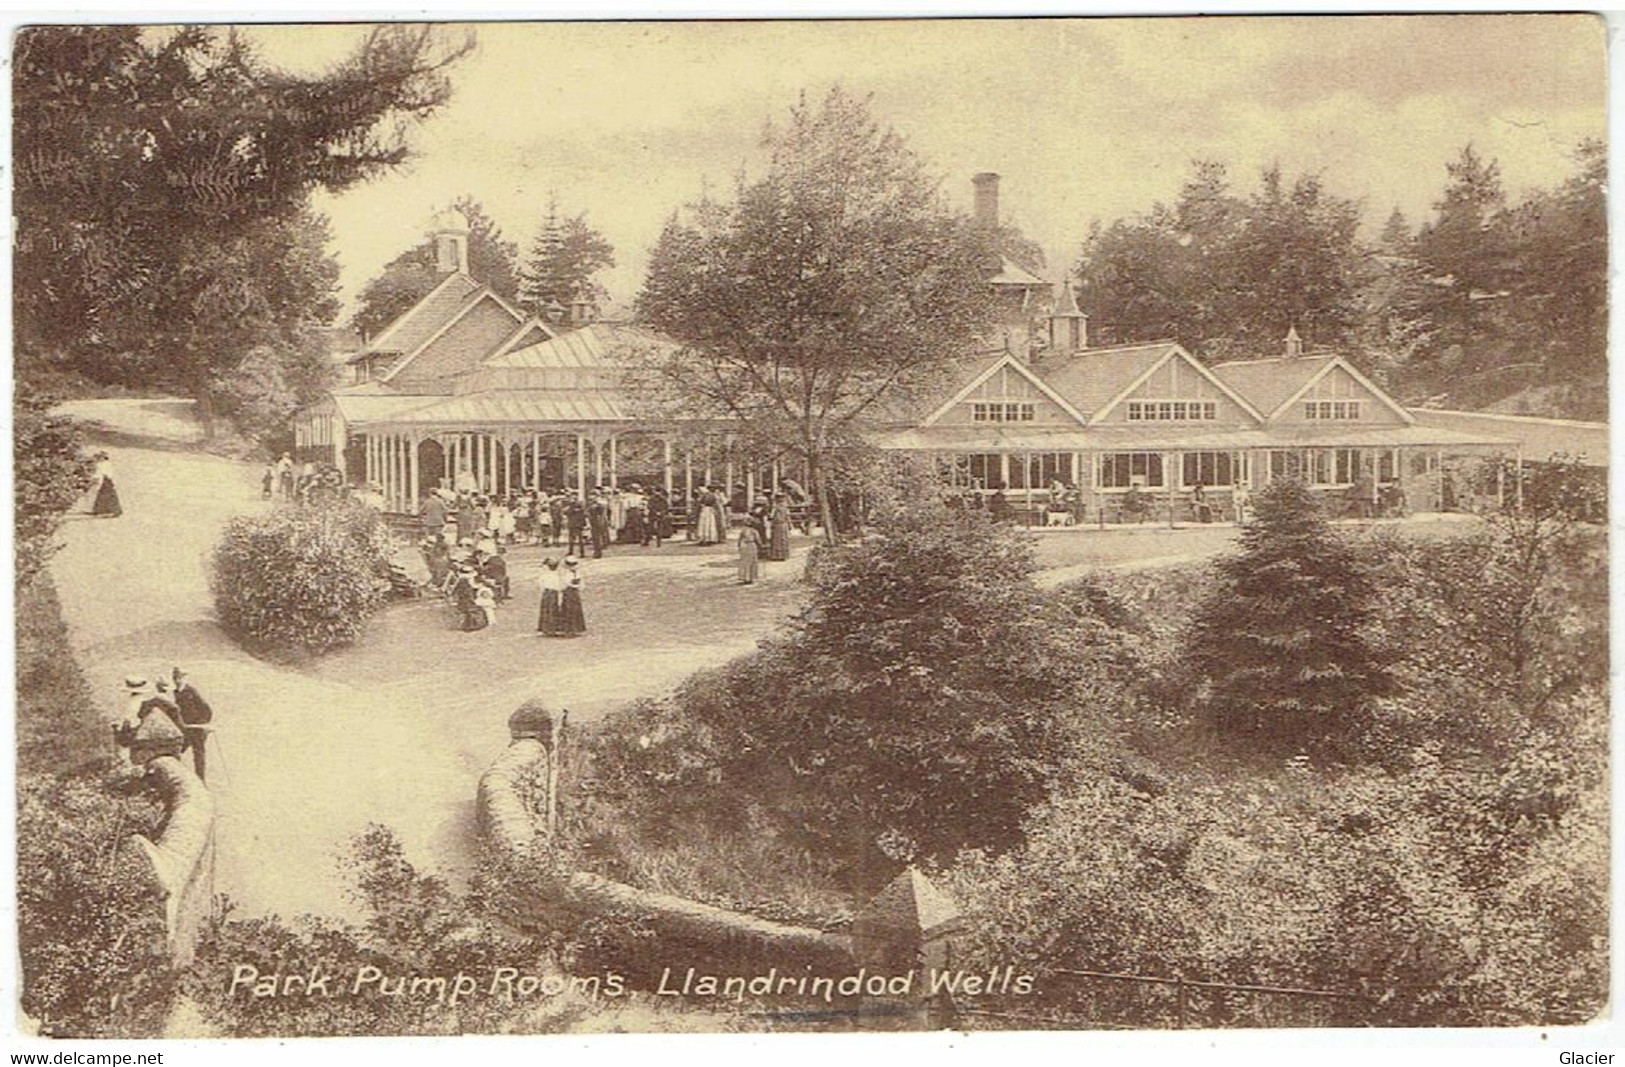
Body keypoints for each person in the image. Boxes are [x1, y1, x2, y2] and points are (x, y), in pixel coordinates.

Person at [171, 668, 214, 781]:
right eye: (176, 678)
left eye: (181, 678)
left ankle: (201, 780)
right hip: (185, 728)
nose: (178, 680)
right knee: (176, 750)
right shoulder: (176, 692)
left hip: (197, 728)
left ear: (185, 678)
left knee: (198, 754)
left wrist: (203, 725)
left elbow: (207, 709)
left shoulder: (191, 692)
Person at [559, 556, 587, 636]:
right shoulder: (565, 574)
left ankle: (576, 628)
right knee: (568, 609)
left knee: (576, 609)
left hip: (575, 593)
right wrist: (572, 585)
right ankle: (567, 629)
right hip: (568, 592)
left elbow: (582, 583)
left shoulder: (578, 573)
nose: (573, 567)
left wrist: (578, 586)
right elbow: (564, 584)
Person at [536, 557, 565, 635]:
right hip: (554, 593)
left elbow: (540, 584)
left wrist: (544, 591)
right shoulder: (557, 576)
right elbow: (560, 586)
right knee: (553, 609)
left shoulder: (544, 575)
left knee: (546, 610)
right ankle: (553, 628)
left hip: (546, 593)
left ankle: (545, 628)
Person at [90, 453, 122, 518]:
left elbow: (99, 473)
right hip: (107, 480)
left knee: (106, 495)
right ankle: (102, 510)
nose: (100, 459)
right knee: (105, 495)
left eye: (101, 457)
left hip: (106, 480)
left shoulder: (101, 464)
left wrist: (94, 478)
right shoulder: (106, 464)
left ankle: (110, 510)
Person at [766, 493, 792, 562]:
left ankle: (776, 556)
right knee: (782, 539)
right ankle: (783, 555)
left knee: (777, 540)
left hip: (777, 525)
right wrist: (790, 525)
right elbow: (788, 516)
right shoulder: (785, 507)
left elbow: (771, 516)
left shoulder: (775, 507)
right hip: (783, 524)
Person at [737, 517, 763, 585]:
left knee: (745, 561)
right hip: (751, 545)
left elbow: (739, 539)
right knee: (752, 561)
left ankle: (745, 577)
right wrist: (761, 545)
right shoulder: (754, 531)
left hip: (744, 545)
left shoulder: (743, 530)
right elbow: (758, 540)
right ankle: (751, 577)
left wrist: (739, 546)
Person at [587, 492, 611, 559]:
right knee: (596, 538)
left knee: (597, 538)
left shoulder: (599, 505)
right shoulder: (594, 505)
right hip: (595, 522)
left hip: (598, 522)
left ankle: (598, 552)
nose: (591, 499)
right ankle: (597, 552)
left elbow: (601, 513)